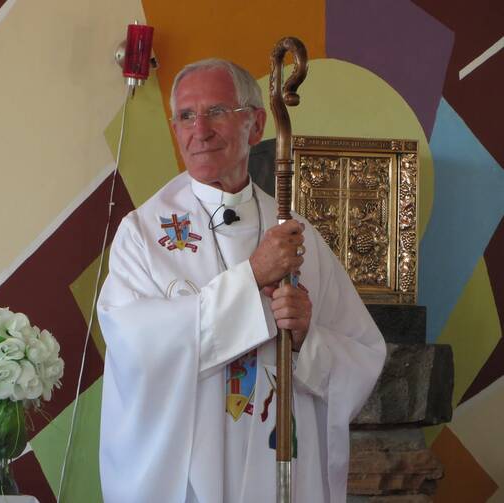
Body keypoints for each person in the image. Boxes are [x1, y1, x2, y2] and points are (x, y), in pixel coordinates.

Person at [97, 58, 386, 503]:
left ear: (255, 125)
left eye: (216, 111)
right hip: (192, 470)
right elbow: (134, 347)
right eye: (186, 116)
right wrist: (252, 276)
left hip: (279, 468)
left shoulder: (296, 233)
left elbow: (363, 355)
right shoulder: (143, 234)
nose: (200, 130)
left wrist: (307, 336)